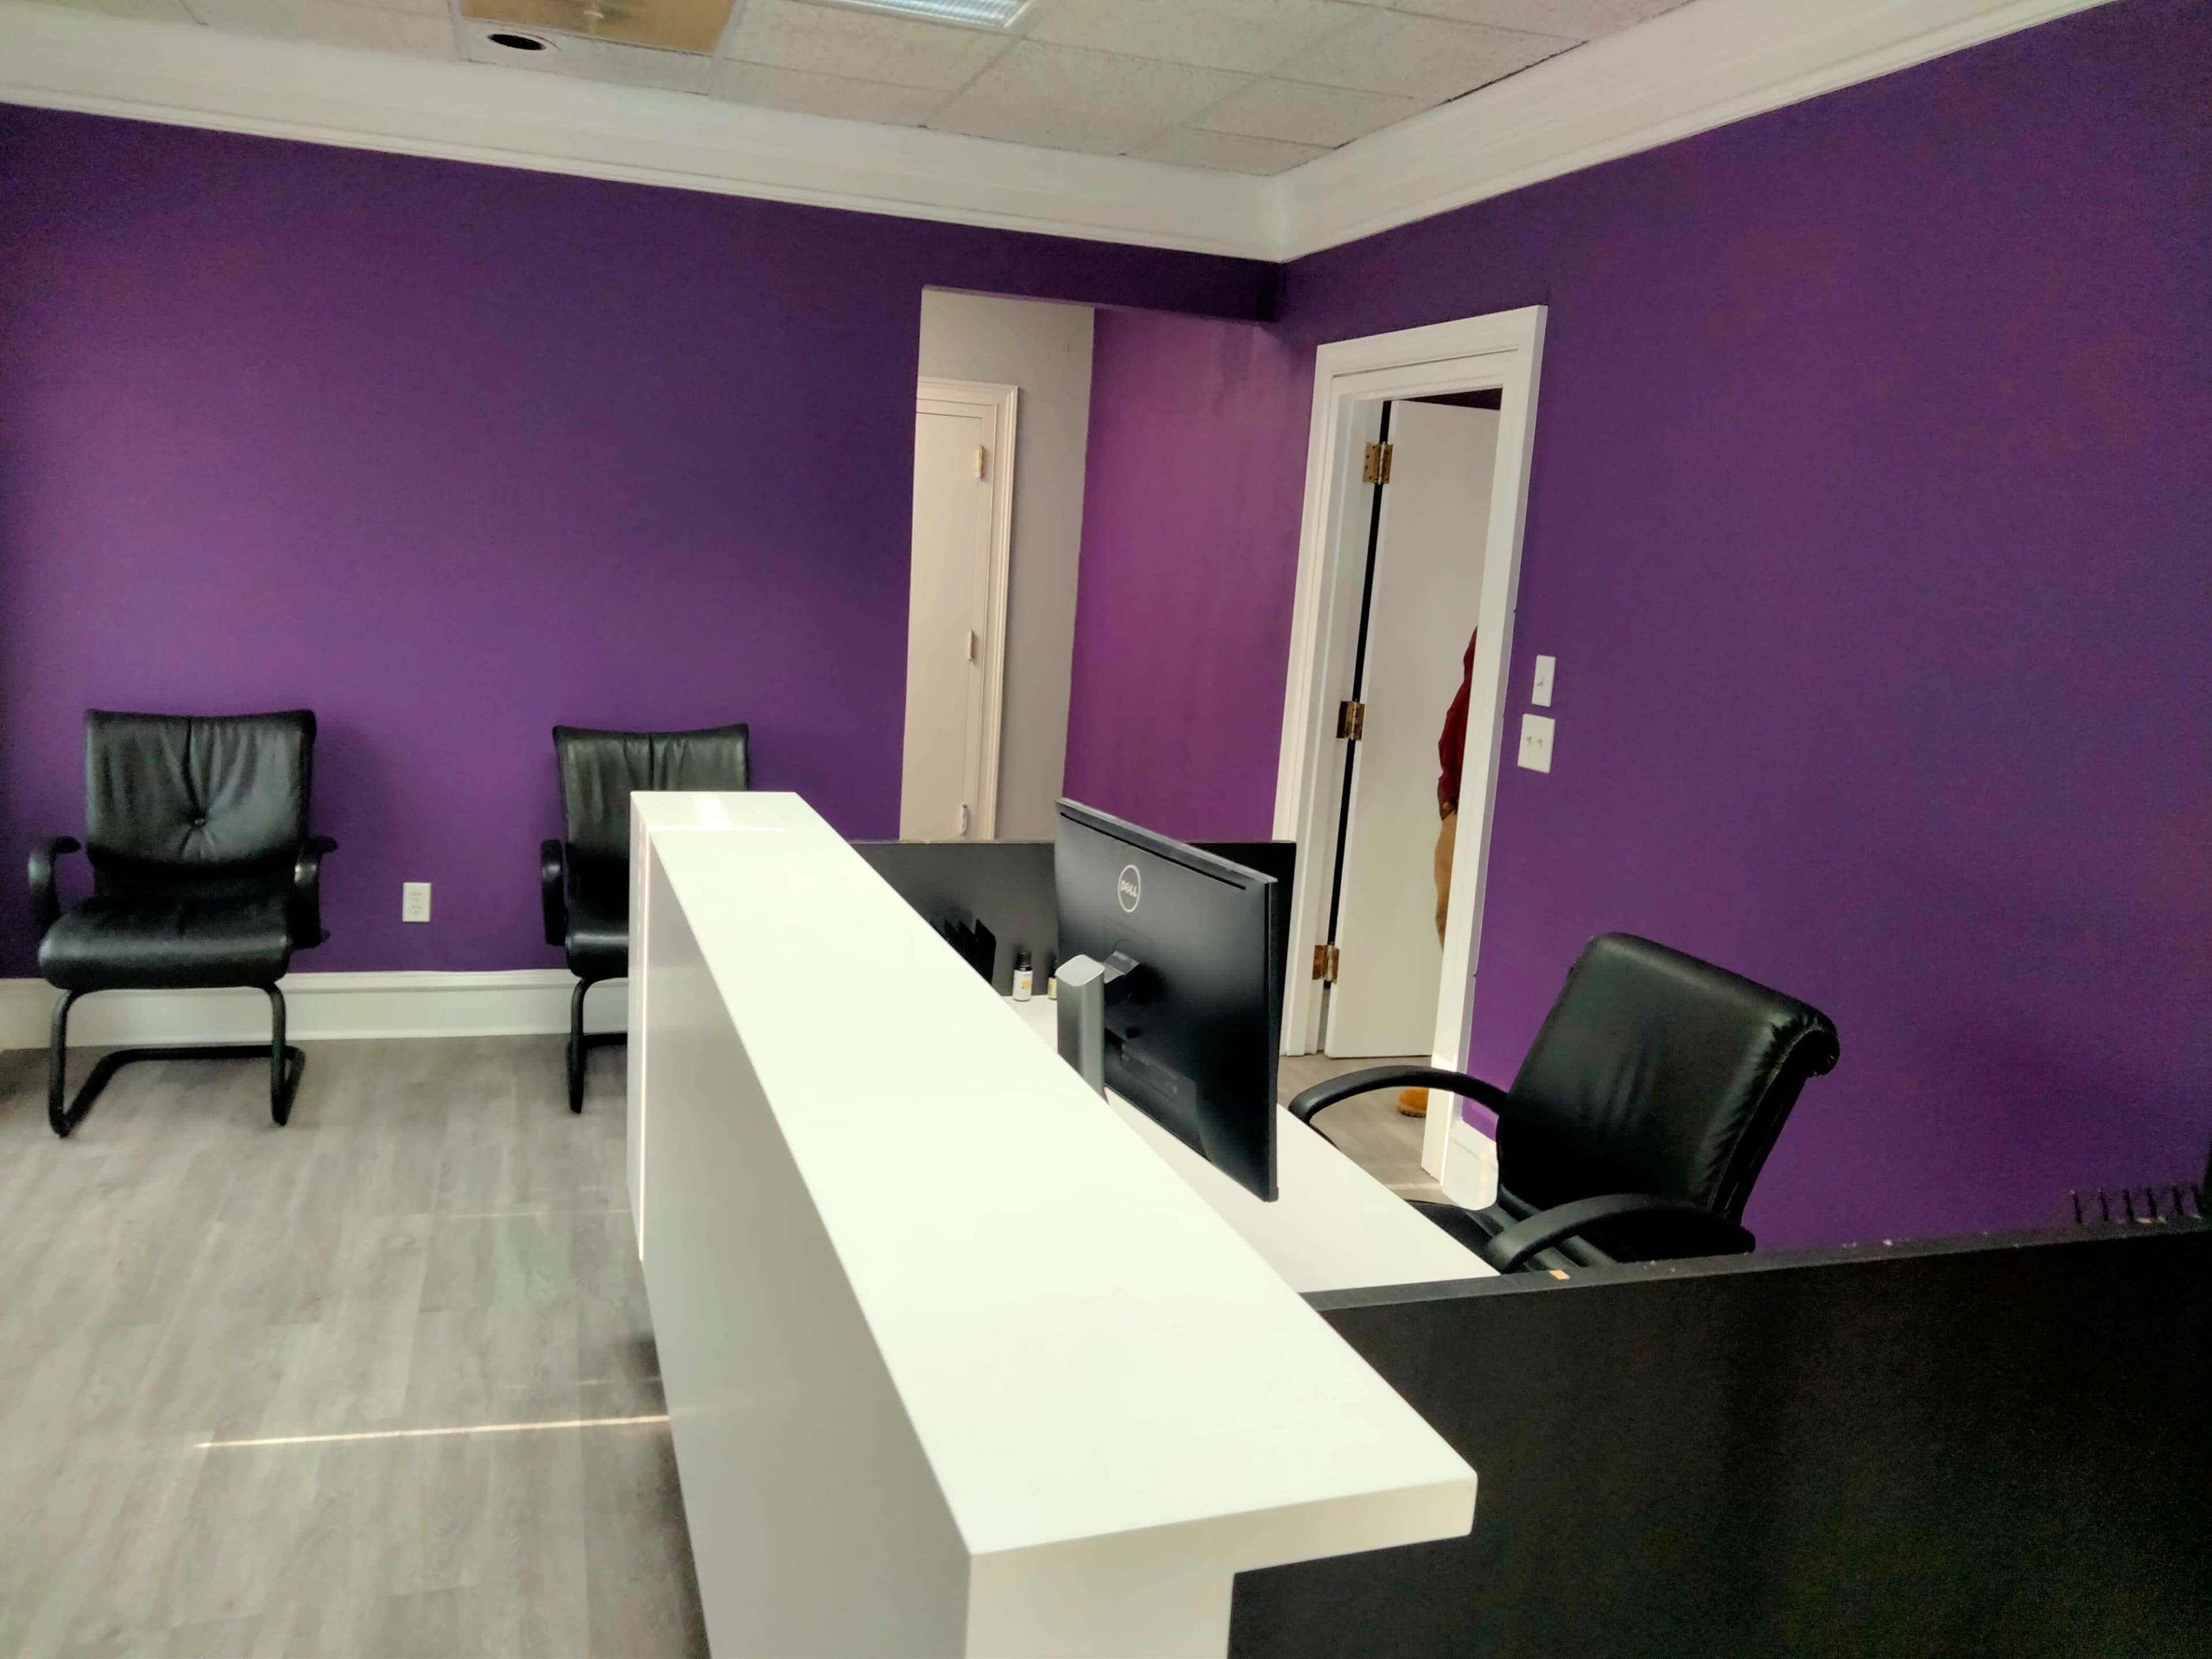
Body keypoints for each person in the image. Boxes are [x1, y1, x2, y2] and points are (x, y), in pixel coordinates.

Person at [1401, 626, 1476, 1118]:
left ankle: (1458, 1076)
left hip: (1480, 800)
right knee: (1452, 932)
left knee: (1471, 942)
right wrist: (1448, 797)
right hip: (1459, 801)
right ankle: (1450, 1066)